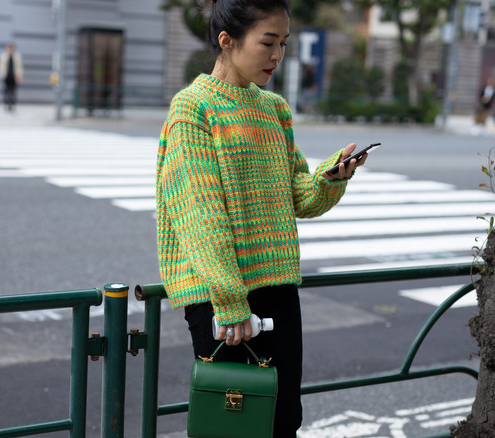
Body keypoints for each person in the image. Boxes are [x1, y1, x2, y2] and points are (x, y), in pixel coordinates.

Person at [154, 0, 367, 436]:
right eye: (267, 42)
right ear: (226, 41)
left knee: (283, 418)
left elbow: (297, 197)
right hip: (220, 298)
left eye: (284, 44)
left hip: (278, 288)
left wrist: (330, 176)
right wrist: (231, 301)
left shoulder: (274, 109)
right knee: (233, 424)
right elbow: (199, 214)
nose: (278, 56)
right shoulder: (192, 109)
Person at [0, 43, 23, 112]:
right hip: (6, 76)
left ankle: (12, 105)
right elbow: (0, 66)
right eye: (8, 48)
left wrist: (19, 76)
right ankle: (6, 105)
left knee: (13, 92)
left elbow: (19, 67)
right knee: (6, 92)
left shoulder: (17, 56)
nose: (10, 50)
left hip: (14, 77)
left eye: (11, 48)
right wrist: (1, 74)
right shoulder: (3, 56)